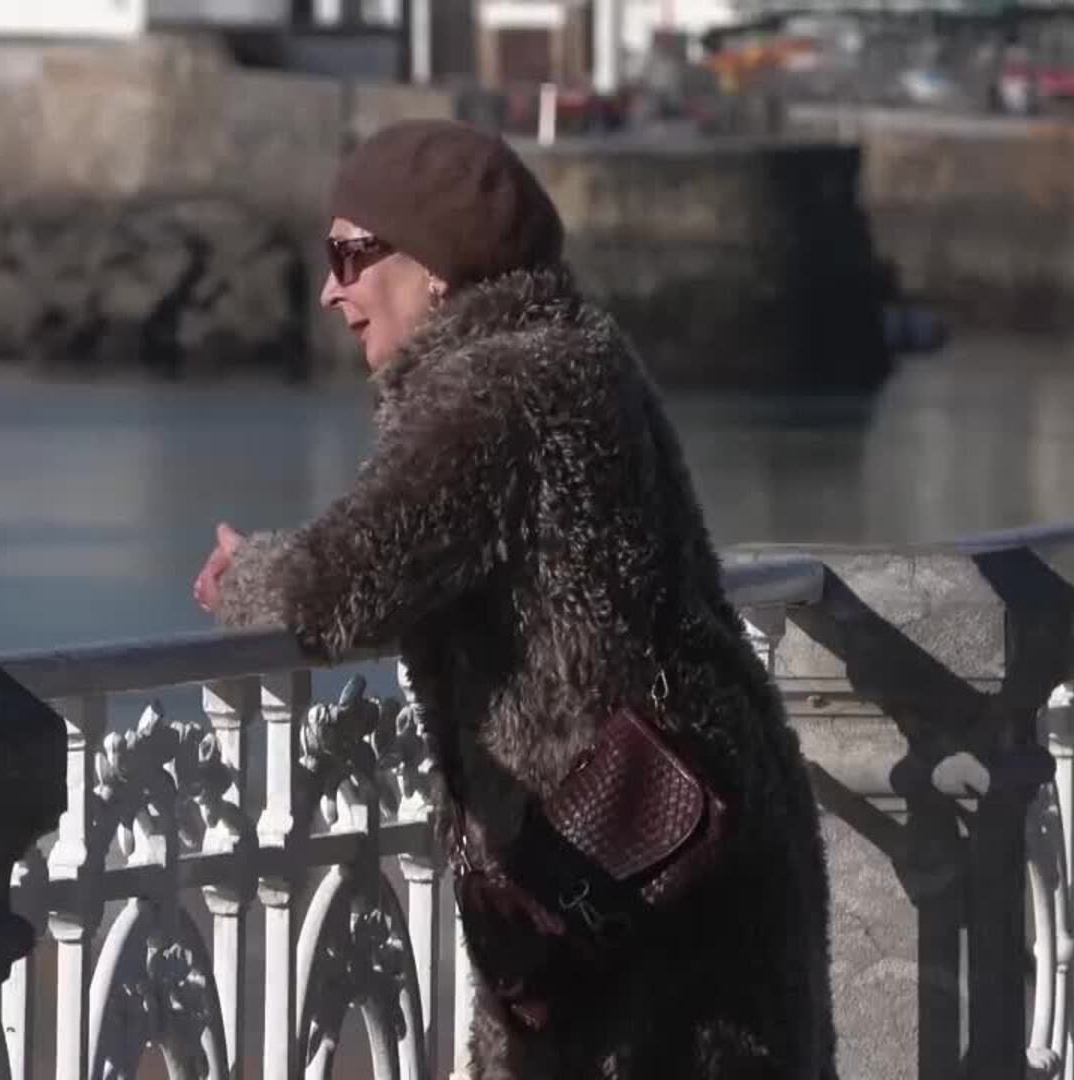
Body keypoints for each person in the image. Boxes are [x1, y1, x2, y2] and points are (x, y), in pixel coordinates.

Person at [192, 120, 836, 1078]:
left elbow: (338, 586)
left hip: (618, 879)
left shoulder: (492, 391)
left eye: (351, 255)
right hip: (691, 832)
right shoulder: (579, 351)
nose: (330, 289)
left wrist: (241, 573)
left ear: (435, 265)